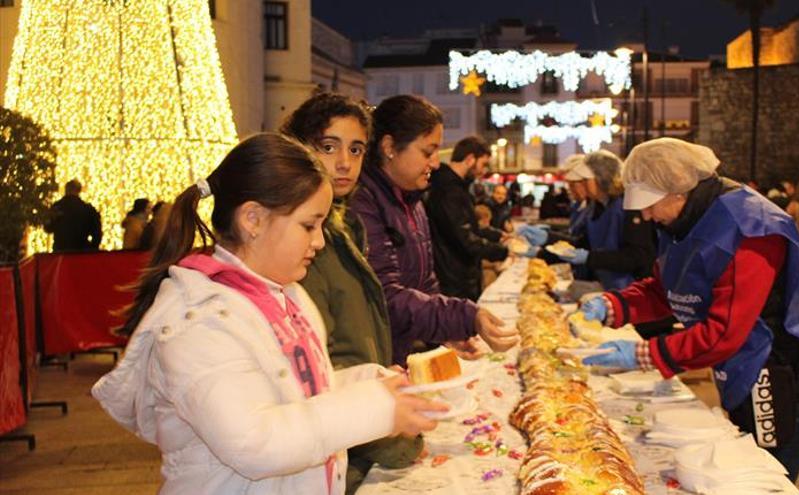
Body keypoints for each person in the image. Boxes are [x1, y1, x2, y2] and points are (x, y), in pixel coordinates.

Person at [91, 133, 444, 494]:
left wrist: (374, 384)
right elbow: (255, 441)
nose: (319, 242)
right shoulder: (197, 322)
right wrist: (377, 408)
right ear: (253, 219)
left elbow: (297, 392)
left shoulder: (287, 295)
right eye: (309, 225)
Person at [578, 138, 799, 480]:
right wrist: (615, 304)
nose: (646, 215)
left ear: (679, 191)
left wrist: (642, 354)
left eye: (650, 204)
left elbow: (724, 332)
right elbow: (670, 286)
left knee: (761, 479)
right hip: (747, 364)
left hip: (791, 371)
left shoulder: (750, 228)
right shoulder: (682, 219)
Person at [278, 92, 424, 493]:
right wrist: (381, 419)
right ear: (300, 148)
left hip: (353, 438)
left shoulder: (344, 226)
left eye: (356, 149)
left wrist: (380, 379)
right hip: (338, 446)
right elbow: (312, 367)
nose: (344, 163)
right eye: (329, 147)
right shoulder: (296, 241)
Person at [348, 95, 518, 365]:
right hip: (375, 362)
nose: (436, 163)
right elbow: (385, 296)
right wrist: (464, 317)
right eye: (428, 152)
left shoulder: (412, 199)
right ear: (390, 147)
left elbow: (425, 283)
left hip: (401, 353)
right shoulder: (362, 202)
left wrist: (441, 333)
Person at [518, 151, 655, 290]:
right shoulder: (597, 207)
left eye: (586, 180)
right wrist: (549, 239)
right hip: (607, 284)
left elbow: (638, 257)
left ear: (603, 178)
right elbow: (584, 243)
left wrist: (589, 258)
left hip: (632, 288)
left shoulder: (629, 207)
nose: (583, 186)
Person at [425, 136, 509, 301]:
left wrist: (497, 236)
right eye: (483, 164)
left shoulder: (458, 188)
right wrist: (503, 251)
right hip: (454, 281)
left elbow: (469, 227)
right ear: (470, 159)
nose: (483, 171)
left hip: (459, 277)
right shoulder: (448, 190)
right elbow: (464, 238)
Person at [45, 179, 102, 252]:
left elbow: (48, 227)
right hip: (81, 252)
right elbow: (97, 233)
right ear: (78, 191)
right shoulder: (88, 209)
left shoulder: (57, 207)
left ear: (66, 190)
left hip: (61, 251)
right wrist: (91, 249)